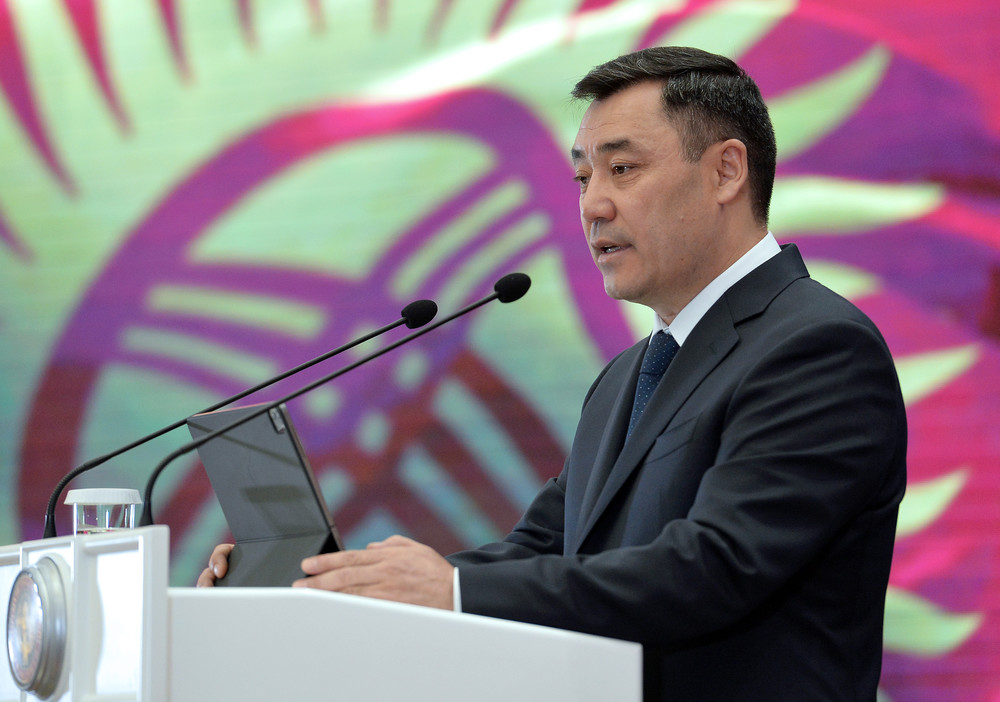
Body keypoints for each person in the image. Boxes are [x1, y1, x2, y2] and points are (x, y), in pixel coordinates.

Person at [199, 46, 906, 701]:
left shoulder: (817, 348)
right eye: (583, 177)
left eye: (623, 169)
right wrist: (342, 586)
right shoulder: (629, 375)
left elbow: (716, 567)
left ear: (725, 171)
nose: (593, 205)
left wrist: (449, 592)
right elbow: (539, 551)